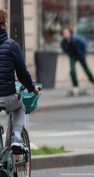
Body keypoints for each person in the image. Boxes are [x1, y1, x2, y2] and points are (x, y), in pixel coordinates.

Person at [0, 10, 40, 153]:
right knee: (19, 106)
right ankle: (17, 137)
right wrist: (31, 88)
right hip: (7, 96)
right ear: (4, 24)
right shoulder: (12, 46)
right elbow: (22, 73)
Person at [60, 26, 94, 96]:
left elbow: (84, 44)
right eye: (64, 33)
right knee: (72, 70)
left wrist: (83, 54)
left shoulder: (76, 39)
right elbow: (64, 49)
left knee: (86, 70)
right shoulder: (63, 42)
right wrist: (69, 54)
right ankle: (75, 87)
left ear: (70, 33)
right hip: (72, 56)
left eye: (66, 33)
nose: (65, 34)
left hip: (80, 55)